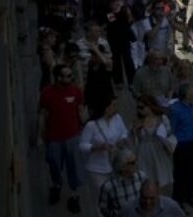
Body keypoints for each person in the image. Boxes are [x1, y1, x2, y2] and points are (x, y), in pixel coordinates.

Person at [38, 63, 85, 213]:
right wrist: (39, 136)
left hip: (72, 137)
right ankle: (57, 185)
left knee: (74, 167)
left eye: (71, 75)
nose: (70, 78)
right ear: (58, 77)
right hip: (54, 139)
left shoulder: (76, 91)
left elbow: (80, 110)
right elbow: (41, 115)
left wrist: (84, 130)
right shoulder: (46, 93)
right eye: (67, 75)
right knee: (54, 165)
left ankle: (74, 195)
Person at [79, 94, 129, 211]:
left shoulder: (117, 118)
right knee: (102, 199)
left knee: (117, 196)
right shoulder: (91, 125)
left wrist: (122, 140)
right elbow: (82, 145)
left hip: (116, 165)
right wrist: (96, 147)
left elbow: (124, 132)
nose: (115, 108)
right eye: (113, 105)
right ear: (106, 108)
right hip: (97, 169)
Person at [167, 82, 193, 209]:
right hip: (181, 146)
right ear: (185, 94)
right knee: (180, 173)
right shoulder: (175, 109)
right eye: (192, 91)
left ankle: (190, 196)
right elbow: (172, 128)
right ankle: (179, 198)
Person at [98, 148, 145, 217]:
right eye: (132, 163)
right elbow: (103, 208)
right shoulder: (109, 186)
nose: (136, 164)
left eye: (136, 161)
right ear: (122, 166)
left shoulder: (142, 177)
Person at [120, 179, 185, 217]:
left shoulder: (172, 207)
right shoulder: (128, 209)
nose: (148, 202)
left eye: (152, 198)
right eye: (144, 198)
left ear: (158, 194)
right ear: (140, 194)